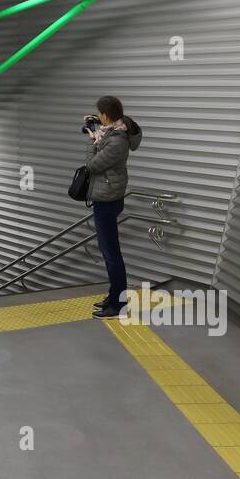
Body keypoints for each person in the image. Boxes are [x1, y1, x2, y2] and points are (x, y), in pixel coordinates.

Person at [84, 96, 142, 318]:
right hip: (108, 197)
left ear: (106, 115)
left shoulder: (117, 141)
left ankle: (118, 305)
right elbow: (105, 137)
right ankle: (113, 295)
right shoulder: (115, 131)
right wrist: (97, 131)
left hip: (107, 200)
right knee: (109, 251)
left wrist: (92, 140)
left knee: (111, 253)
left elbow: (92, 165)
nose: (98, 117)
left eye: (100, 114)